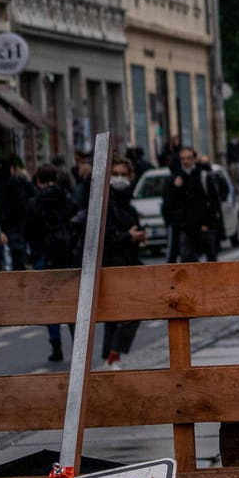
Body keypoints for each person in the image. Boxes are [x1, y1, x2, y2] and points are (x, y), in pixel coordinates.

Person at [97, 157, 148, 370]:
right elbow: (106, 236)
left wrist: (136, 236)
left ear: (131, 177)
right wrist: (129, 237)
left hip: (127, 263)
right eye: (115, 174)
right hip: (113, 265)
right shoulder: (107, 202)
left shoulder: (126, 201)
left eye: (123, 175)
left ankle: (111, 357)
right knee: (127, 313)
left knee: (126, 314)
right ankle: (112, 357)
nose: (119, 179)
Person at [25, 165, 79, 362]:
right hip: (67, 255)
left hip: (43, 256)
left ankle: (56, 346)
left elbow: (28, 230)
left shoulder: (34, 202)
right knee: (73, 303)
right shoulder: (67, 199)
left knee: (50, 303)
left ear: (38, 180)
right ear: (56, 179)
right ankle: (78, 345)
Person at [164, 146, 219, 263]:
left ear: (194, 159)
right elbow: (169, 203)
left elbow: (214, 202)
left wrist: (207, 223)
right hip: (185, 227)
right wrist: (176, 187)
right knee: (187, 260)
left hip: (204, 226)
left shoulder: (203, 176)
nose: (186, 161)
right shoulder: (174, 179)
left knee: (211, 261)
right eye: (183, 159)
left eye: (188, 158)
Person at [0, 156, 33, 270]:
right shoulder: (2, 182)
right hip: (9, 225)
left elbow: (20, 205)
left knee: (16, 255)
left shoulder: (12, 182)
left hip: (14, 226)